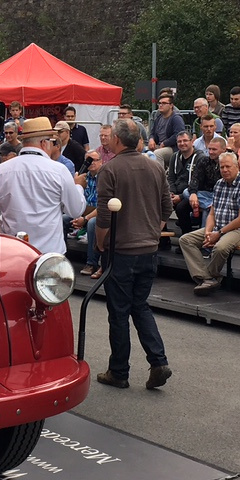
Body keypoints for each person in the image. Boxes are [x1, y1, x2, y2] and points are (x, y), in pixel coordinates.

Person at [94, 118, 174, 390]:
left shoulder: (110, 169)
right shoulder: (155, 166)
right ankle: (158, 361)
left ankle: (119, 371)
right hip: (148, 249)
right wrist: (153, 232)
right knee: (139, 305)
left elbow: (104, 216)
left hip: (121, 251)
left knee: (118, 312)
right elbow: (167, 207)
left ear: (116, 139)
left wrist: (101, 244)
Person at [0, 117, 85, 255]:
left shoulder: (1, 171)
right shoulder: (59, 170)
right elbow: (76, 210)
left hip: (13, 251)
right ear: (44, 143)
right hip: (49, 253)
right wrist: (79, 186)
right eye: (51, 141)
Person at [179, 153, 240, 295]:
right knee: (186, 240)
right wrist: (208, 232)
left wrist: (219, 233)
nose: (225, 170)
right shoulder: (219, 184)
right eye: (222, 167)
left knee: (220, 247)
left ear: (237, 167)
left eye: (228, 166)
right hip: (220, 226)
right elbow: (212, 214)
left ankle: (210, 277)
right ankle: (206, 278)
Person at [74, 149, 105, 278]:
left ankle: (91, 263)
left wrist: (85, 218)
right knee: (63, 219)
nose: (91, 163)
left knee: (92, 224)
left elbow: (103, 205)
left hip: (99, 211)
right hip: (84, 209)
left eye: (94, 160)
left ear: (101, 162)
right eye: (88, 160)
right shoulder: (83, 178)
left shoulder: (105, 177)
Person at [166, 130, 198, 234]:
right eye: (179, 141)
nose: (182, 143)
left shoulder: (199, 158)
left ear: (192, 141)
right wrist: (172, 193)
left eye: (185, 140)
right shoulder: (174, 157)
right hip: (176, 192)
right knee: (160, 202)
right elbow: (171, 178)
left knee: (181, 208)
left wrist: (180, 197)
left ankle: (186, 236)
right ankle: (163, 238)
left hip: (191, 193)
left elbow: (197, 181)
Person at [148, 90, 185, 165]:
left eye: (164, 103)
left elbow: (179, 134)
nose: (161, 105)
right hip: (159, 146)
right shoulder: (159, 118)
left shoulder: (176, 118)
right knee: (143, 151)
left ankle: (159, 173)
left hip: (173, 148)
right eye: (159, 103)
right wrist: (151, 139)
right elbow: (152, 133)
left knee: (157, 154)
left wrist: (165, 143)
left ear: (171, 105)